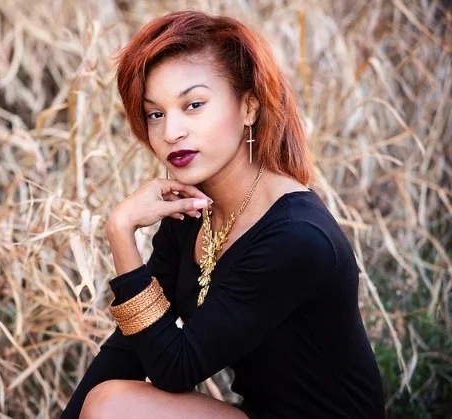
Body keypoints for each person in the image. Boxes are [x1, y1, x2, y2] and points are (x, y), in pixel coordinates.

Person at [61, 10, 385, 419]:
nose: (171, 132)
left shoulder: (296, 237)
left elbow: (175, 367)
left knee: (112, 407)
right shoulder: (194, 212)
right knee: (107, 400)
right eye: (155, 113)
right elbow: (128, 348)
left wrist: (120, 232)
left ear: (249, 107)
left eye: (193, 105)